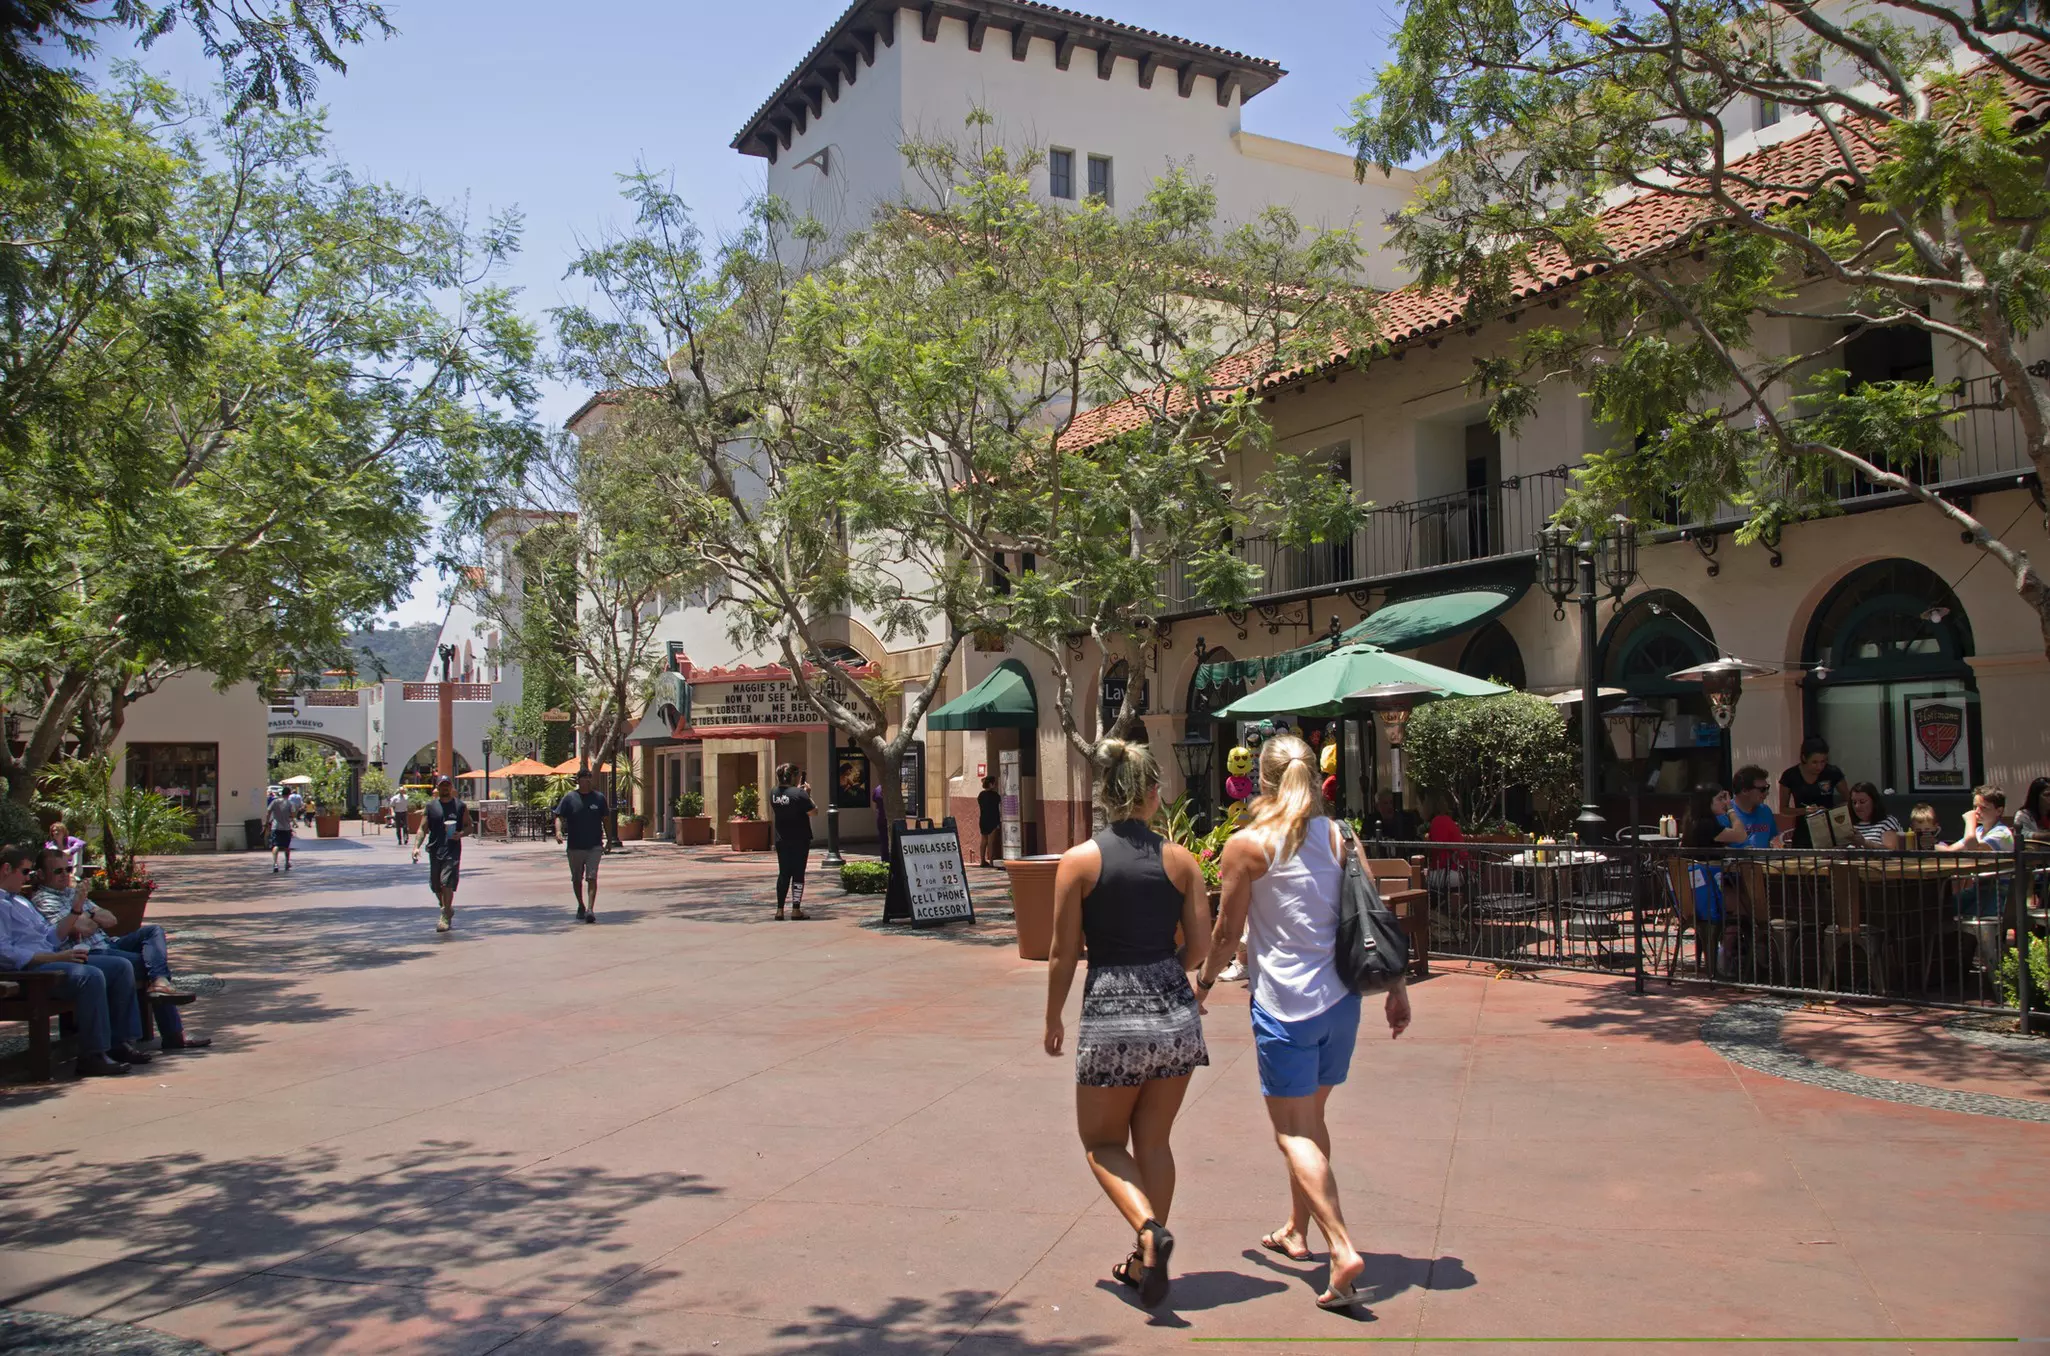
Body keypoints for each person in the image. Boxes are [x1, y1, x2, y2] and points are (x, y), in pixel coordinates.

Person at [1199, 733, 1409, 1313]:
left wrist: (1203, 984)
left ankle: (1341, 1248)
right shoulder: (1341, 836)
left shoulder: (1247, 845)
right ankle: (1297, 1230)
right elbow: (1375, 912)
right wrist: (1396, 988)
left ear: (1260, 780)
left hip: (1285, 1005)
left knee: (1291, 1132)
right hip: (1343, 1001)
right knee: (1311, 1120)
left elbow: (1224, 932)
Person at [1044, 738, 1209, 1311]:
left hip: (1112, 1012)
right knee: (1155, 1140)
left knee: (1102, 1143)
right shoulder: (1182, 861)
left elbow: (1064, 953)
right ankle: (1146, 1262)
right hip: (1173, 1014)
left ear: (1105, 794)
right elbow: (1200, 948)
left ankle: (1146, 1231)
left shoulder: (1080, 861)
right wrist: (1168, 972)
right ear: (1154, 796)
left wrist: (1053, 1020)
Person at [31, 848, 209, 1050]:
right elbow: (82, 927)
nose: (65, 875)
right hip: (92, 953)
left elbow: (111, 919)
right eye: (58, 871)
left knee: (153, 932)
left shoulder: (73, 893)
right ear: (42, 874)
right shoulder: (44, 900)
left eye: (68, 869)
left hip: (109, 944)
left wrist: (84, 914)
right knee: (150, 966)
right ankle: (168, 1032)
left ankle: (160, 986)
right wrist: (89, 914)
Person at [0, 844, 148, 1076]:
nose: (28, 878)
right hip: (31, 970)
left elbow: (53, 936)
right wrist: (58, 956)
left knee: (120, 967)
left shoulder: (20, 901)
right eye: (25, 872)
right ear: (7, 869)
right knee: (90, 977)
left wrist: (76, 909)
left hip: (52, 959)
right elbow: (6, 954)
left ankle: (120, 1043)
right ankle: (92, 1055)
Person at [1941, 785, 2015, 918]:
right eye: (1975, 807)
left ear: (1999, 811)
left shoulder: (2002, 833)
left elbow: (1973, 847)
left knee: (1969, 916)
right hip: (1978, 889)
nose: (1977, 812)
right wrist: (1929, 845)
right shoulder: (1979, 831)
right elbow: (1950, 850)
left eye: (1984, 808)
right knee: (1943, 908)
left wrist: (1970, 822)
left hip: (1998, 891)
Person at [411, 775, 470, 933]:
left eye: (447, 785)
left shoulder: (460, 806)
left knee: (446, 882)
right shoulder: (431, 807)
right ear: (437, 788)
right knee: (436, 885)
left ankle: (445, 915)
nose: (445, 788)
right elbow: (423, 828)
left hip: (452, 849)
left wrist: (461, 834)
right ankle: (445, 907)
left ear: (451, 787)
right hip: (435, 849)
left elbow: (469, 826)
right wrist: (416, 847)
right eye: (442, 786)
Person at [551, 768, 609, 924]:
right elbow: (559, 816)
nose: (587, 781)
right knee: (577, 878)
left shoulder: (599, 798)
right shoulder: (570, 798)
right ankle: (581, 905)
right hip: (575, 846)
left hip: (594, 845)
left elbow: (606, 819)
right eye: (584, 778)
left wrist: (610, 839)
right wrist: (558, 832)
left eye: (589, 777)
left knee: (592, 877)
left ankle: (590, 909)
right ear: (578, 780)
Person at [769, 763, 814, 921]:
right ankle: (796, 909)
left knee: (784, 873)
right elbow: (813, 812)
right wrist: (807, 793)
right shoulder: (799, 794)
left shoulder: (773, 793)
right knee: (798, 873)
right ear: (794, 777)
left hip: (782, 838)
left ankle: (779, 910)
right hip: (800, 838)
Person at [1777, 737, 1847, 815]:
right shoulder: (1790, 775)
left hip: (1828, 823)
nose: (1819, 767)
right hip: (1803, 824)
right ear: (1804, 758)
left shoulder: (1833, 772)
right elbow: (1783, 809)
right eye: (1814, 762)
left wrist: (1831, 811)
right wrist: (1805, 811)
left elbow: (1849, 800)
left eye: (1823, 762)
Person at [1721, 766, 1785, 848]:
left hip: (1763, 860)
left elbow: (1773, 838)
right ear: (1744, 791)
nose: (1766, 793)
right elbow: (1720, 848)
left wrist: (1776, 842)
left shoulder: (1765, 810)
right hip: (1738, 860)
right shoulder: (1725, 812)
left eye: (1767, 788)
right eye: (1762, 789)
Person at [1846, 782, 1904, 848]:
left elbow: (1891, 851)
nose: (1857, 806)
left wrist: (1864, 842)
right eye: (1854, 802)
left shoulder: (1887, 822)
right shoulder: (1849, 825)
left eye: (1862, 802)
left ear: (1874, 802)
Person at [264, 789, 296, 872]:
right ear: (289, 794)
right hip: (286, 827)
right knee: (286, 846)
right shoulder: (290, 803)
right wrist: (293, 821)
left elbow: (268, 812)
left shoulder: (275, 802)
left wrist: (267, 822)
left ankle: (275, 863)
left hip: (276, 826)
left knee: (276, 845)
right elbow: (293, 815)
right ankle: (286, 863)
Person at [2014, 777, 2050, 842]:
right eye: (2047, 795)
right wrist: (2045, 836)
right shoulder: (2023, 815)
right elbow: (2021, 834)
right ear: (2035, 797)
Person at [977, 775, 1002, 868]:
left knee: (984, 840)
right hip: (993, 820)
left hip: (983, 819)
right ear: (991, 784)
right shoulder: (995, 796)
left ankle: (982, 860)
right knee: (991, 841)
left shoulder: (981, 795)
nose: (995, 785)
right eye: (994, 783)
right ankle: (991, 861)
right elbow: (999, 806)